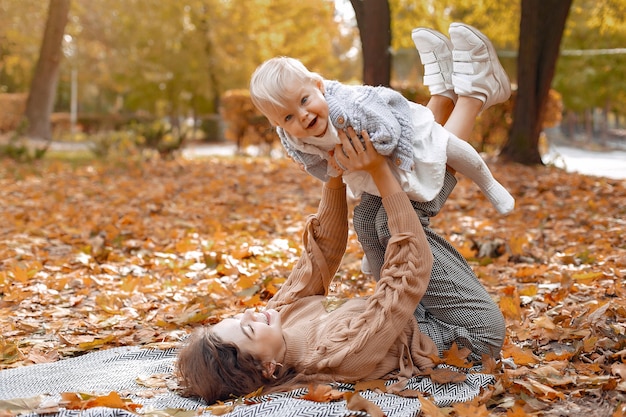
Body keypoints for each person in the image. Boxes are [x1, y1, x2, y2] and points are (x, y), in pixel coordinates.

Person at [176, 127, 506, 404]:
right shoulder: (337, 356)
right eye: (248, 329)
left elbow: (321, 253)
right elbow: (407, 276)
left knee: (366, 217)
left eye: (238, 316)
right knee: (392, 224)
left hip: (410, 314)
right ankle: (468, 101)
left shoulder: (280, 316)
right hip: (468, 333)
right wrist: (378, 171)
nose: (250, 313)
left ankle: (427, 114)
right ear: (269, 368)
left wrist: (334, 174)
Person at [249, 23, 514, 279]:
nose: (303, 115)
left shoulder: (349, 107)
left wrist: (371, 154)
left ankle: (476, 92)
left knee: (431, 152)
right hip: (378, 172)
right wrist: (335, 167)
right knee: (366, 217)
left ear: (319, 86)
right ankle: (444, 91)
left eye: (304, 100)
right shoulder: (293, 136)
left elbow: (396, 132)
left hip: (392, 141)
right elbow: (316, 161)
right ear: (278, 125)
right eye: (288, 118)